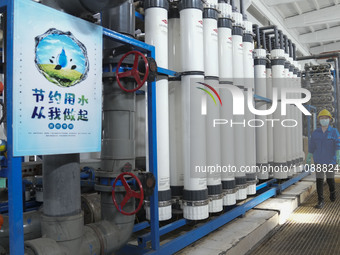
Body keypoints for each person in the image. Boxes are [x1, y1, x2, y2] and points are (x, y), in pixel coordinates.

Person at [306, 109, 340, 209]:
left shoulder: (334, 132)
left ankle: (332, 192)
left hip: (330, 161)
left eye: (326, 118)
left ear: (330, 119)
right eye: (322, 118)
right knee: (319, 180)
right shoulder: (315, 133)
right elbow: (312, 146)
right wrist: (309, 156)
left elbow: (338, 145)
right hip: (319, 160)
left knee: (330, 180)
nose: (324, 120)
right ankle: (320, 201)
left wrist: (338, 156)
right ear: (319, 120)